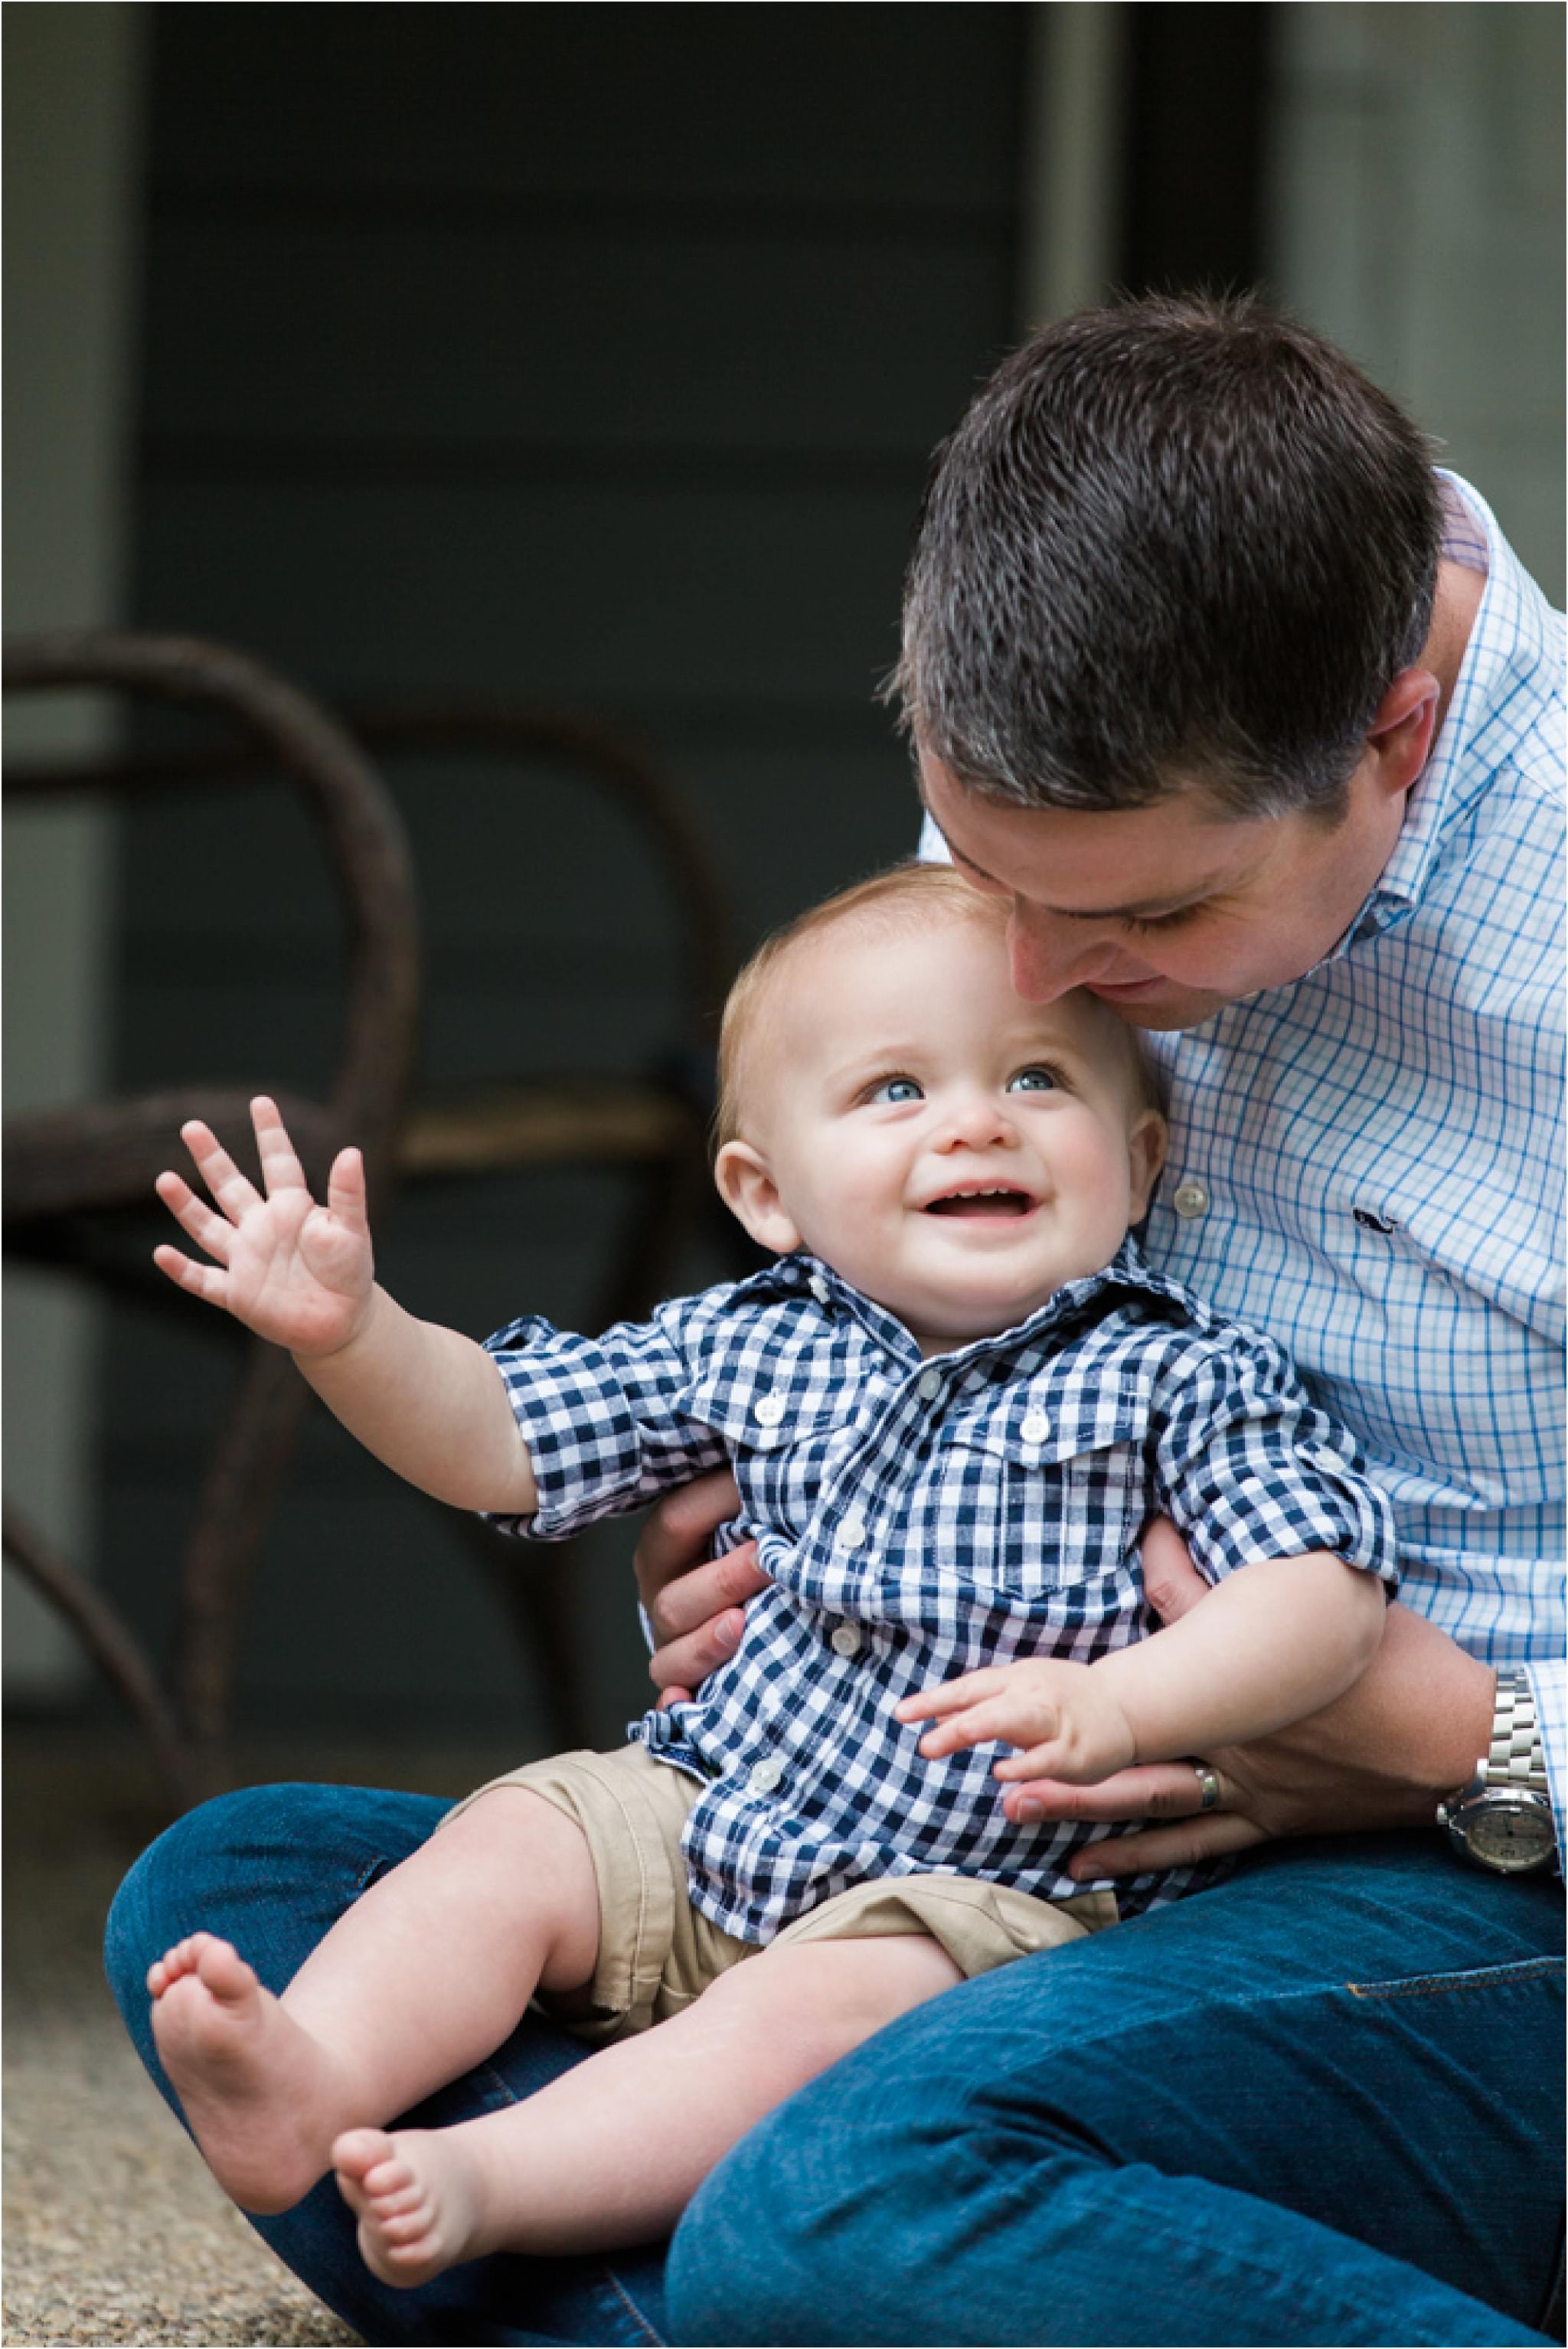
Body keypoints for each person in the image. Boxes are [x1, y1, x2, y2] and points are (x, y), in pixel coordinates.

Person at [106, 294, 1563, 2346]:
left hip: (1456, 1887)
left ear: (1389, 746)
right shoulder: (1084, 758)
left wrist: (1437, 1739)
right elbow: (754, 1344)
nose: (1037, 974)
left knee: (826, 2203)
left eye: (1143, 924)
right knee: (235, 1901)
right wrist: (759, 1564)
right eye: (977, 861)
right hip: (886, 1799)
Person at [136, 861, 1394, 2291]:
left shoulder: (1181, 1373)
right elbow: (502, 1437)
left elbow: (1321, 1594)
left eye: (1039, 1078)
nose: (977, 1118)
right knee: (514, 1839)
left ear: (1145, 1157)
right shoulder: (746, 1340)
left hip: (972, 1901)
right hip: (714, 1809)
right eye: (896, 1092)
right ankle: (317, 2076)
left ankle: (496, 2177)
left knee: (815, 2016)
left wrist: (1132, 1704)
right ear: (766, 1192)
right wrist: (351, 1335)